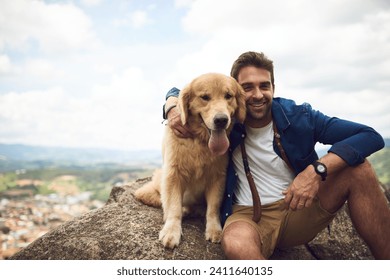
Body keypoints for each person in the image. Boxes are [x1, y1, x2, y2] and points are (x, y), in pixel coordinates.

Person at [162, 51, 390, 259]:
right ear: (239, 94)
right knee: (236, 244)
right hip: (247, 216)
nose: (258, 95)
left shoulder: (300, 116)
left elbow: (370, 136)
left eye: (264, 85)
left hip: (298, 208)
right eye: (248, 88)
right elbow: (183, 92)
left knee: (359, 169)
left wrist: (316, 170)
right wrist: (171, 106)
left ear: (273, 87)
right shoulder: (224, 123)